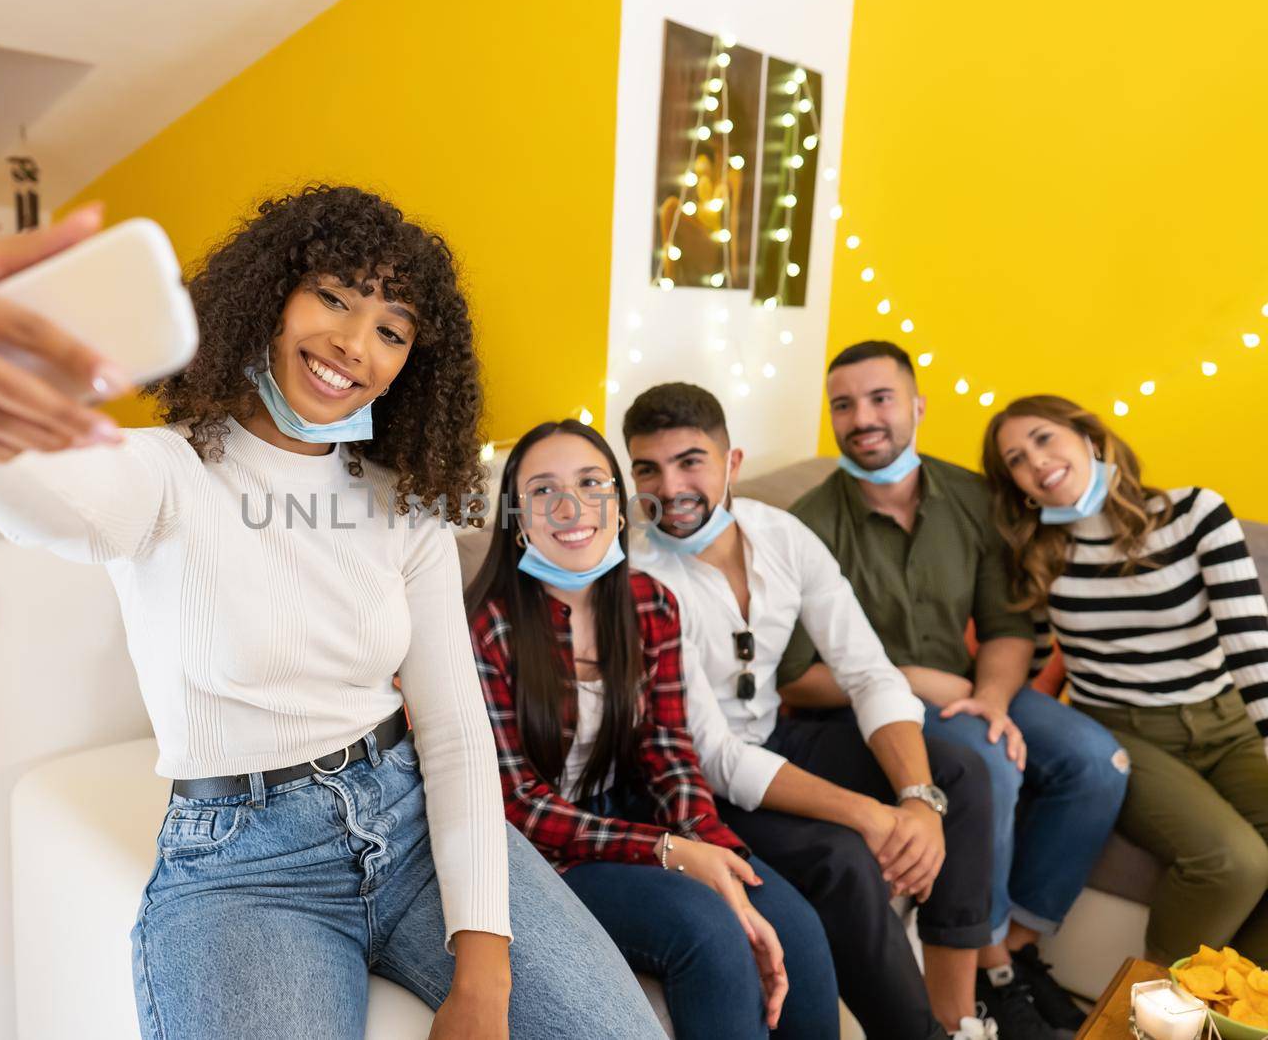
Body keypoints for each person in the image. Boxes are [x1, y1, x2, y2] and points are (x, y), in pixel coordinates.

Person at [0, 187, 667, 1038]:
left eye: (391, 329)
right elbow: (30, 496)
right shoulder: (165, 472)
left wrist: (483, 977)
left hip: (407, 821)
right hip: (244, 868)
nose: (352, 344)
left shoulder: (403, 505)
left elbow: (449, 728)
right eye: (333, 297)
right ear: (271, 294)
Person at [624, 383, 1002, 1040]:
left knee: (961, 773)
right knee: (845, 855)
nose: (671, 485)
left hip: (774, 735)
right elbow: (712, 756)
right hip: (696, 784)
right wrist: (870, 813)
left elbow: (866, 669)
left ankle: (960, 1012)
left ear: (731, 461)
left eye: (691, 461)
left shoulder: (781, 533)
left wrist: (916, 797)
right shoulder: (634, 574)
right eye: (648, 469)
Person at [777, 341, 1127, 1037]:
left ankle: (1015, 954)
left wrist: (993, 697)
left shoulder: (972, 497)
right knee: (990, 766)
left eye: (881, 398)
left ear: (917, 406)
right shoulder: (807, 524)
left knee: (1099, 762)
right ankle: (992, 973)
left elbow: (1008, 628)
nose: (862, 417)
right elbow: (796, 679)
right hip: (872, 709)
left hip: (970, 688)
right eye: (843, 404)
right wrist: (900, 678)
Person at [466, 419, 839, 1039]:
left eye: (591, 483)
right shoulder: (486, 628)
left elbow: (669, 754)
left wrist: (718, 852)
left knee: (794, 923)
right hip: (535, 854)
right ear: (516, 518)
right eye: (543, 491)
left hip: (623, 813)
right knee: (706, 929)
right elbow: (516, 805)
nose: (571, 506)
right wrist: (671, 852)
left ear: (617, 505)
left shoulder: (649, 603)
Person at [983, 393, 1268, 963]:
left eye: (1044, 438)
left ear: (1090, 438)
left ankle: (1234, 1009)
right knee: (1234, 862)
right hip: (1125, 733)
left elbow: (1249, 641)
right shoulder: (1038, 551)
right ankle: (1143, 1016)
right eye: (1015, 459)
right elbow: (1029, 660)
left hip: (1227, 723)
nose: (1035, 462)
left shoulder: (1195, 513)